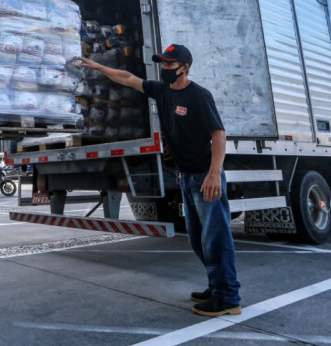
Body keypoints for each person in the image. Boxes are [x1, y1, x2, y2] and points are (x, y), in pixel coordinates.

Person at [79, 44, 241, 317]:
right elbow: (128, 79)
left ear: (184, 67)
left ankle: (228, 298)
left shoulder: (199, 96)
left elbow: (218, 134)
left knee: (216, 237)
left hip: (205, 177)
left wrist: (214, 174)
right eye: (162, 64)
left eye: (168, 64)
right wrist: (97, 67)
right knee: (197, 239)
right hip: (187, 177)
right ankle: (217, 286)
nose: (163, 68)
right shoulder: (163, 91)